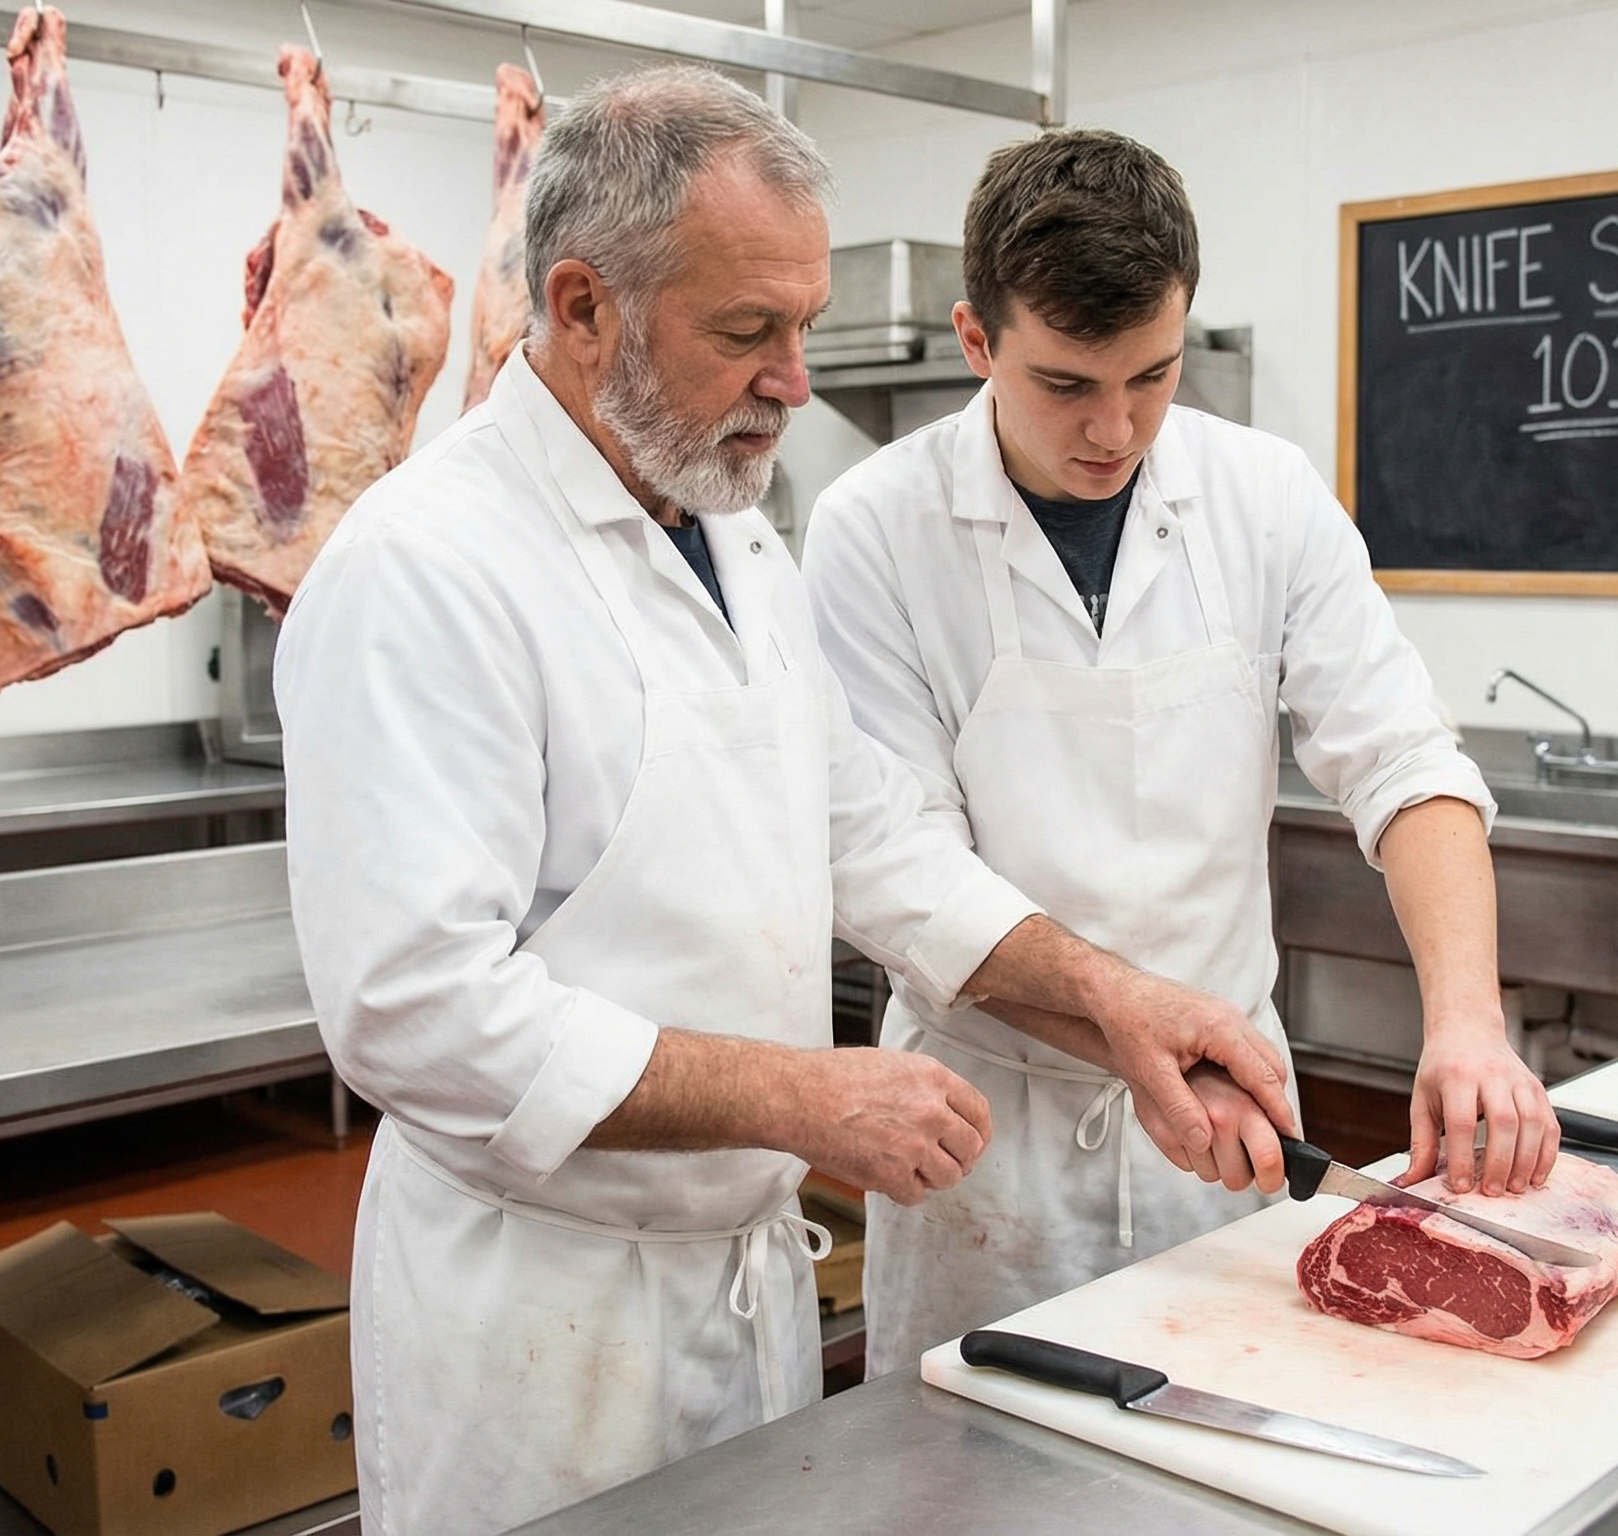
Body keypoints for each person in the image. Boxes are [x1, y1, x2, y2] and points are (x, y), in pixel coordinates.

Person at [275, 73, 1294, 1536]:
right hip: (542, 1318)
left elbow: (869, 836)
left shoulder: (734, 544)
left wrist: (1111, 1002)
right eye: (747, 333)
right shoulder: (432, 569)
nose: (795, 382)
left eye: (804, 329)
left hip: (735, 1290)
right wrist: (804, 1097)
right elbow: (416, 1010)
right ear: (581, 308)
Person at [801, 129, 1563, 1376]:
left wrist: (1467, 1020)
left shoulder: (1260, 493)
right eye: (1064, 386)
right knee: (972, 1492)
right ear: (976, 341)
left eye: (1151, 376)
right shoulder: (874, 529)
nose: (1115, 430)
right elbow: (895, 865)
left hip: (1229, 1135)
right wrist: (1121, 1018)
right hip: (992, 1151)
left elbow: (1401, 758)